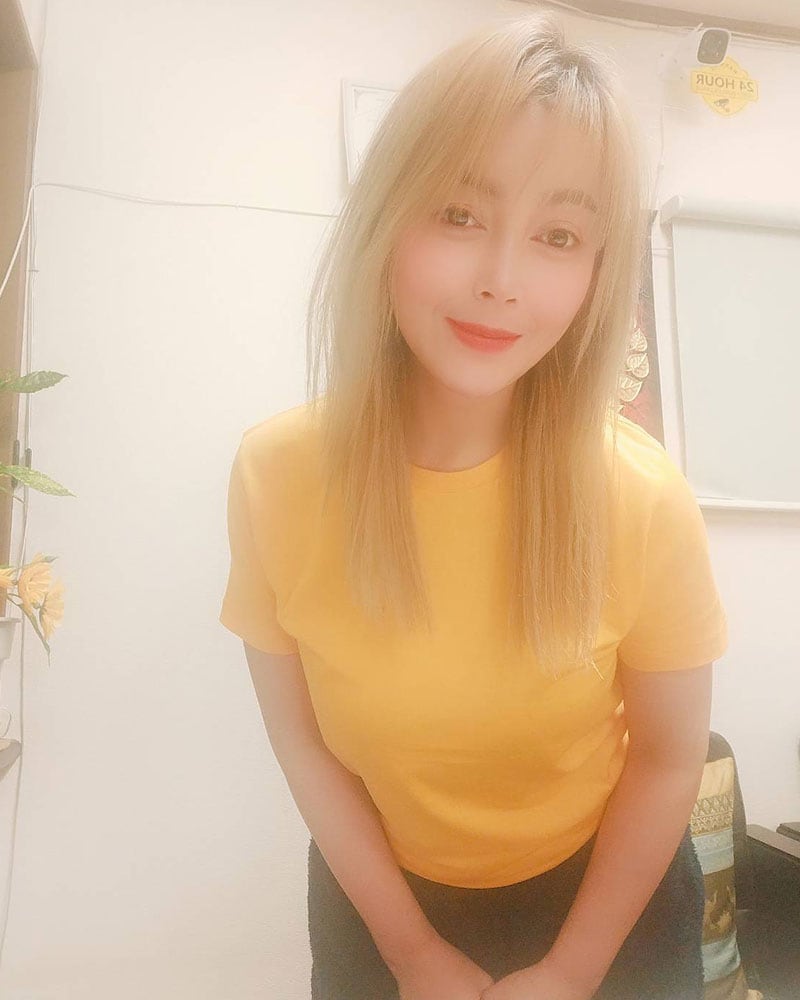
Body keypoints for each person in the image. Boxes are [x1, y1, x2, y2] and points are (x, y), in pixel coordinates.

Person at [219, 9, 728, 1000]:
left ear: (595, 272)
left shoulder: (640, 498)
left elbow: (669, 760)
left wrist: (569, 973)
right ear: (386, 216)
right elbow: (303, 742)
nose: (501, 281)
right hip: (381, 902)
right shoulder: (275, 474)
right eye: (458, 215)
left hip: (610, 900)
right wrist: (411, 952)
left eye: (558, 235)